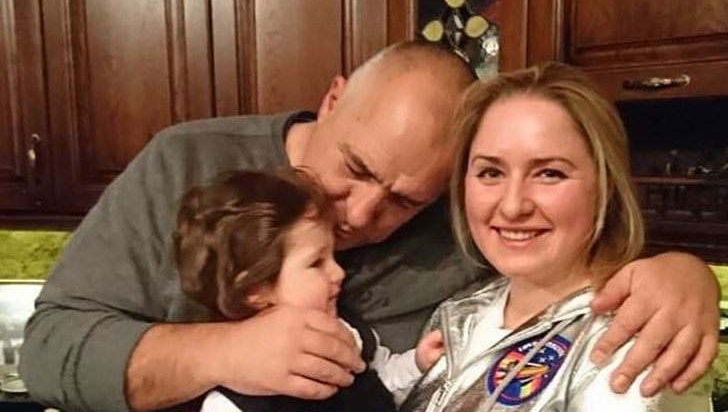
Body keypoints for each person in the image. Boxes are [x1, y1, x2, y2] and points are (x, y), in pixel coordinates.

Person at [19, 41, 718, 412]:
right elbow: (48, 353)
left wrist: (681, 273)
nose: (357, 216)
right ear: (332, 99)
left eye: (403, 202)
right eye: (354, 168)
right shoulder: (184, 163)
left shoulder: (466, 236)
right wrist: (225, 353)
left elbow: (565, 256)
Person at [400, 62, 711, 411]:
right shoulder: (462, 312)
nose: (513, 205)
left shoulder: (634, 338)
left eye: (549, 173)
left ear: (606, 186)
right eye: (490, 172)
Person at [173, 168, 442, 411]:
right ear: (255, 290)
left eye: (332, 256)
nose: (338, 273)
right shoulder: (232, 403)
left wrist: (417, 365)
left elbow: (381, 383)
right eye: (316, 263)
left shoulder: (347, 331)